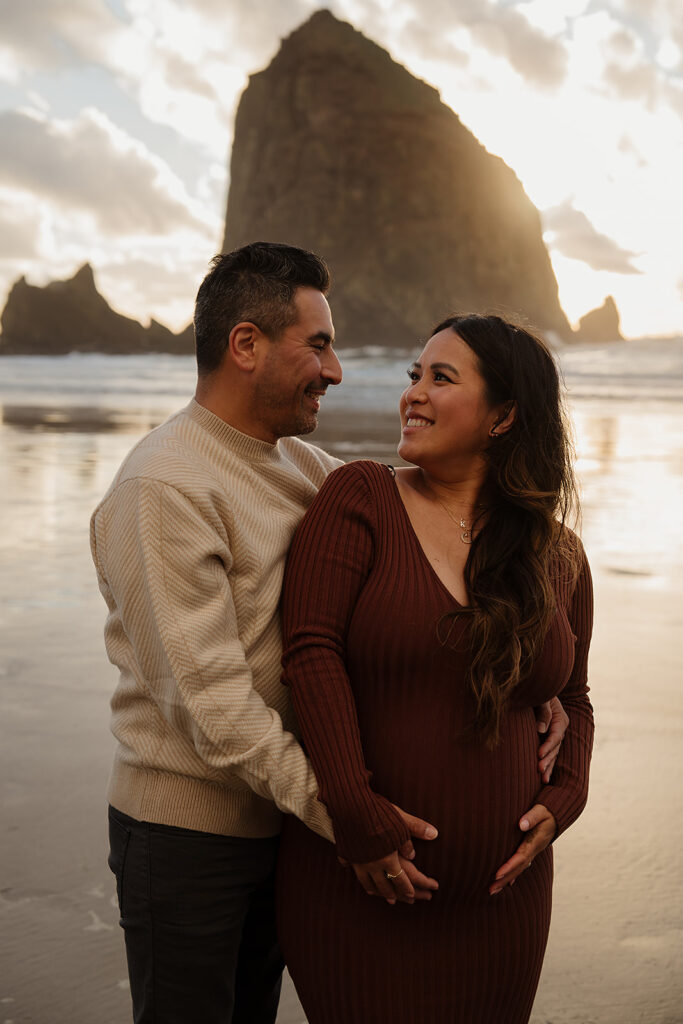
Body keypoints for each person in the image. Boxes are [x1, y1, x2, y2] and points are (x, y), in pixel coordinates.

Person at [91, 243, 568, 1024]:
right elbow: (211, 707)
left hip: (278, 823)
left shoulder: (303, 469)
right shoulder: (163, 486)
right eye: (317, 344)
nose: (337, 369)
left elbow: (417, 561)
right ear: (245, 345)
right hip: (189, 835)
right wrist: (349, 814)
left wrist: (527, 679)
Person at [277, 314, 594, 1024]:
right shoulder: (360, 498)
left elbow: (573, 695)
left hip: (502, 906)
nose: (412, 394)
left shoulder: (558, 554)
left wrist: (568, 793)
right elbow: (310, 653)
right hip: (356, 890)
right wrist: (357, 819)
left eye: (440, 379)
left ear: (504, 415)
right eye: (413, 375)